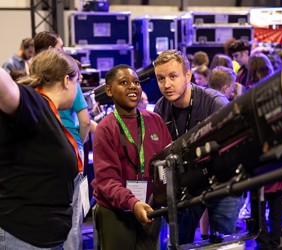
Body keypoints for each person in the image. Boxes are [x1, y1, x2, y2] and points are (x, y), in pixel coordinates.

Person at [153, 49, 242, 244]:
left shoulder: (215, 103)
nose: (167, 84)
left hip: (223, 181)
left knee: (222, 245)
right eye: (160, 79)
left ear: (188, 75)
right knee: (178, 242)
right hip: (189, 184)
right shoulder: (161, 108)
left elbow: (235, 149)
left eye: (173, 76)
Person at [0, 49, 80, 249]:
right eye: (77, 81)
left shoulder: (50, 114)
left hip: (46, 237)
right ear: (65, 81)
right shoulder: (33, 103)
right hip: (23, 237)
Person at [91, 64, 172, 250]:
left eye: (136, 82)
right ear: (109, 91)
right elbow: (107, 180)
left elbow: (167, 162)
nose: (132, 86)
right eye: (124, 82)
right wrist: (132, 203)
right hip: (116, 212)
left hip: (149, 208)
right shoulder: (106, 128)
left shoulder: (155, 120)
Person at [33, 30, 91, 250]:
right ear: (67, 81)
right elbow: (85, 121)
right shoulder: (40, 107)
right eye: (77, 82)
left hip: (39, 228)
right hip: (30, 232)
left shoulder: (34, 101)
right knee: (73, 220)